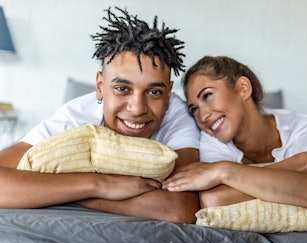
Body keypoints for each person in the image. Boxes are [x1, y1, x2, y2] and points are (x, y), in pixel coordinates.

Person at [0, 7, 200, 224]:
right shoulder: (76, 117)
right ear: (100, 86)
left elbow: (181, 208)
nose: (137, 108)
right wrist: (100, 185)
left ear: (169, 95)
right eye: (122, 89)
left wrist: (59, 191)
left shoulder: (177, 115)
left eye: (154, 92)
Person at [163, 55, 307, 212]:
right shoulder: (211, 142)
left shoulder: (305, 128)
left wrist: (224, 173)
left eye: (207, 96)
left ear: (243, 88)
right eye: (194, 109)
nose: (203, 115)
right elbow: (214, 199)